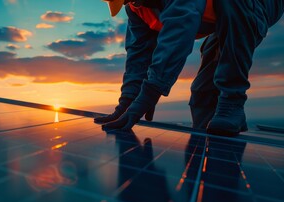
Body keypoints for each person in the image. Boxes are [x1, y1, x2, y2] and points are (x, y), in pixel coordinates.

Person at [94, 0, 284, 136]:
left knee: (234, 6)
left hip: (257, 4)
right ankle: (209, 161)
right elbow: (138, 52)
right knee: (203, 94)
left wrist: (150, 93)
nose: (131, 3)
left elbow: (178, 33)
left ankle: (232, 103)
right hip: (223, 19)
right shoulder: (136, 7)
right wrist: (128, 100)